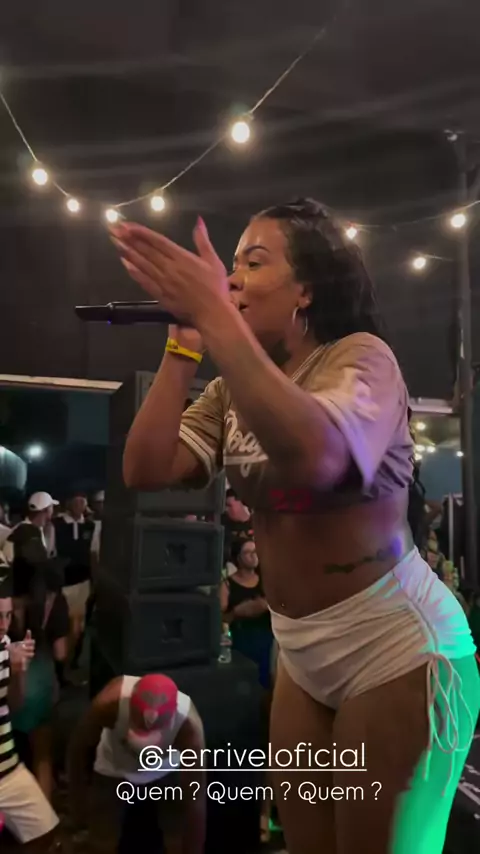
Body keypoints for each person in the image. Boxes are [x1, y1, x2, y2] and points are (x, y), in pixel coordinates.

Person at [110, 198, 480, 854]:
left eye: (253, 263)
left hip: (395, 647)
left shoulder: (362, 359)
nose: (233, 280)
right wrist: (185, 340)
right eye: (231, 266)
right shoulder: (231, 389)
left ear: (306, 288)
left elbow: (319, 458)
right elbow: (145, 467)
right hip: (302, 653)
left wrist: (216, 316)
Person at [67, 672, 206, 854]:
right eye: (139, 729)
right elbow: (78, 751)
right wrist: (78, 809)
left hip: (165, 769)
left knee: (176, 837)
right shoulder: (108, 704)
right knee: (101, 839)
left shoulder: (188, 728)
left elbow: (196, 799)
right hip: (113, 765)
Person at [0, 569, 59, 849]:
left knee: (45, 830)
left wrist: (17, 672)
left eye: (8, 616)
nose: (3, 625)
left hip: (7, 768)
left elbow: (13, 706)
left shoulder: (6, 646)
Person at [11, 560, 69, 800]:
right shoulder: (52, 601)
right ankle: (44, 811)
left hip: (14, 678)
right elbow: (60, 653)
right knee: (43, 756)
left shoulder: (7, 606)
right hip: (41, 677)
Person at [220, 538, 273, 689]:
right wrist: (237, 612)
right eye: (248, 552)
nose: (253, 555)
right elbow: (220, 618)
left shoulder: (267, 580)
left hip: (267, 638)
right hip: (240, 640)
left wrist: (265, 605)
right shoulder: (227, 584)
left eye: (255, 551)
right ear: (238, 558)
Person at [4, 491, 59, 636]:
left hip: (28, 595)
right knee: (22, 634)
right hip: (23, 596)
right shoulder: (24, 533)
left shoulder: (34, 530)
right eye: (51, 507)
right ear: (46, 510)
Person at [53, 492, 95, 668]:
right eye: (76, 500)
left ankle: (72, 661)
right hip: (64, 584)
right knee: (64, 627)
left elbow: (93, 554)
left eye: (82, 500)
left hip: (83, 583)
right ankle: (61, 664)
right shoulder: (56, 525)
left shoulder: (90, 526)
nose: (79, 504)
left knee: (79, 628)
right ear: (68, 502)